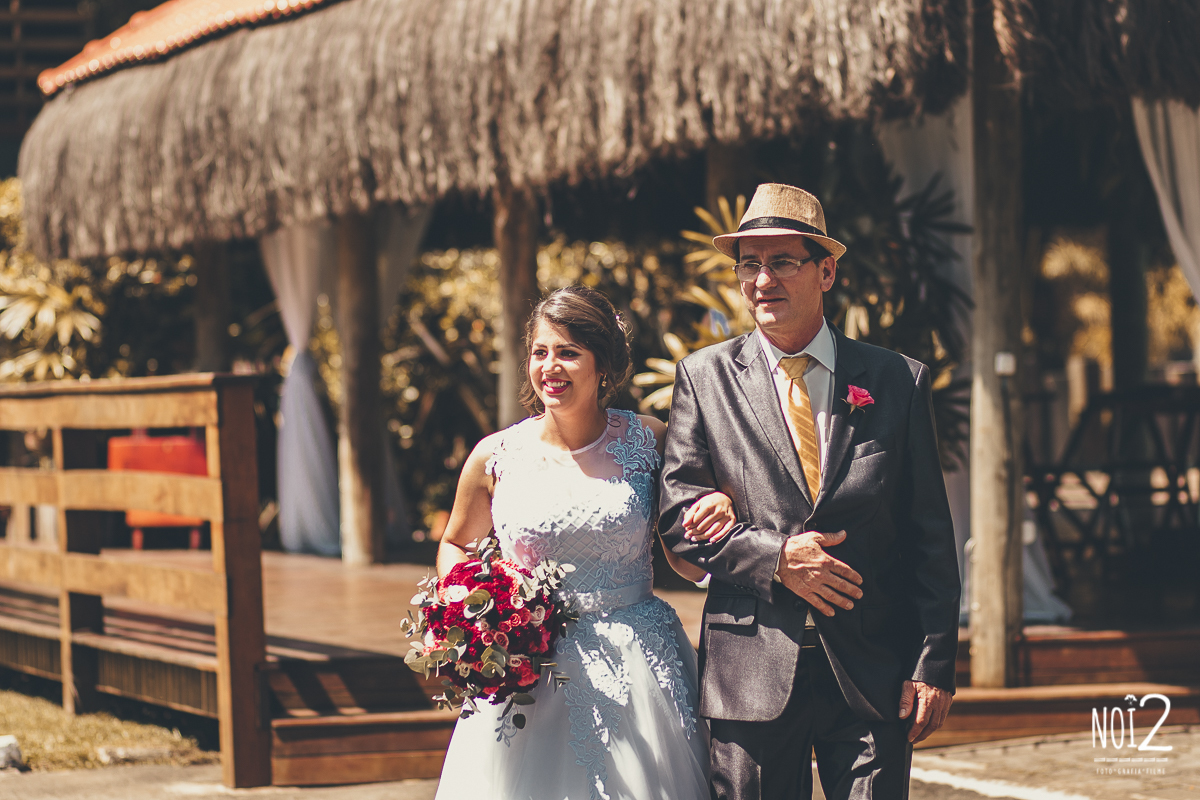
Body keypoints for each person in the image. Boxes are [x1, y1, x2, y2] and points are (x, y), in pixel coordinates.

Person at [659, 183, 961, 800]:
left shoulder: (896, 380)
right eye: (749, 264)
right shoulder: (703, 377)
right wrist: (776, 559)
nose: (762, 279)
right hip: (750, 669)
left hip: (872, 668)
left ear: (826, 272)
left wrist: (933, 665)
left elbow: (928, 533)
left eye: (782, 262)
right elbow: (676, 521)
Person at [434, 286, 712, 800]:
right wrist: (471, 608)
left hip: (637, 660)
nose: (550, 367)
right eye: (540, 352)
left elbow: (681, 546)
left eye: (568, 352)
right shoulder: (494, 456)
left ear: (602, 363)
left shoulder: (649, 439)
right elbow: (455, 543)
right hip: (530, 671)